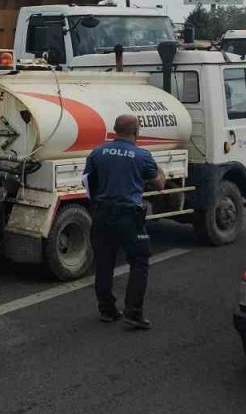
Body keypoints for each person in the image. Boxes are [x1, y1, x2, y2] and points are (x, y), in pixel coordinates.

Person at [83, 114, 165, 329]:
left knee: (104, 263)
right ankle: (133, 312)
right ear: (136, 131)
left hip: (102, 214)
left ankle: (107, 310)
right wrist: (160, 170)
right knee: (139, 261)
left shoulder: (97, 152)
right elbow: (159, 185)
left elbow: (88, 182)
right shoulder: (142, 155)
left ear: (115, 130)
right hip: (129, 216)